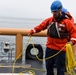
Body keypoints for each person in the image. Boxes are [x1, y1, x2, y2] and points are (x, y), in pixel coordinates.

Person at [28, 0, 76, 75]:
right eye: (52, 11)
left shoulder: (66, 22)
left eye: (55, 11)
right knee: (49, 67)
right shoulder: (50, 20)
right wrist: (33, 31)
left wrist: (72, 41)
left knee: (60, 69)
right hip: (49, 48)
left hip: (61, 49)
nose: (54, 13)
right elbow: (41, 26)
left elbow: (74, 32)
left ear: (60, 10)